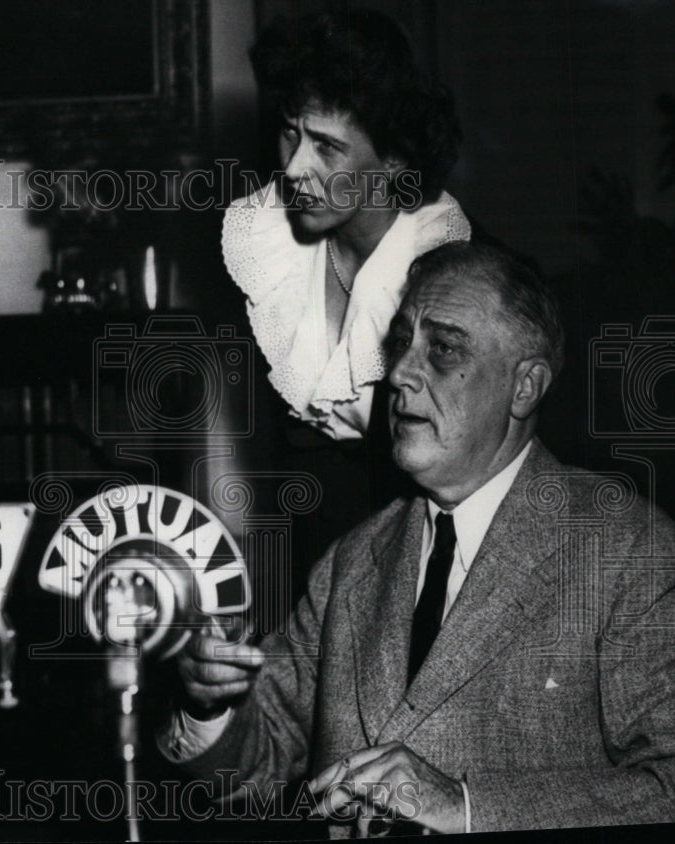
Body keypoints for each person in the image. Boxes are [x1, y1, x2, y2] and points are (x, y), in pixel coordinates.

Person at [163, 242, 675, 834]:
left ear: (525, 387)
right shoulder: (352, 562)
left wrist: (464, 806)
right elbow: (252, 768)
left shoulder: (629, 550)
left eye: (444, 348)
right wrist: (210, 702)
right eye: (400, 344)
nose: (401, 373)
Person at [224, 9, 469, 441]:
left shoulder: (457, 273)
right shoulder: (261, 253)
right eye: (290, 132)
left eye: (326, 145)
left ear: (393, 158)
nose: (295, 167)